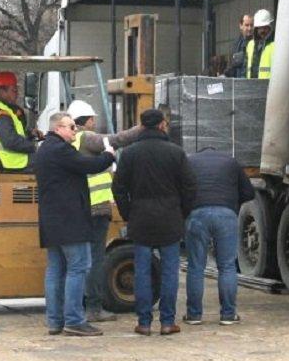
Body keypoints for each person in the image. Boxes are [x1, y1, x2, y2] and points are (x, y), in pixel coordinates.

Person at [113, 109, 196, 336]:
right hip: (170, 219)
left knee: (142, 272)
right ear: (161, 125)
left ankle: (144, 322)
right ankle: (168, 322)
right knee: (170, 272)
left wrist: (128, 213)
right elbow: (190, 187)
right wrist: (182, 212)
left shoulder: (129, 154)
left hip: (140, 219)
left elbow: (118, 188)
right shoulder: (176, 153)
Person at [35, 111, 116, 337]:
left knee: (55, 270)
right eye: (71, 127)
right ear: (57, 129)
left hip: (51, 221)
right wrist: (109, 155)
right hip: (70, 221)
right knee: (79, 267)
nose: (75, 130)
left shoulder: (44, 150)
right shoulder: (61, 150)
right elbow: (88, 165)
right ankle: (74, 320)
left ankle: (54, 321)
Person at [66, 99, 141, 323]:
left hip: (77, 208)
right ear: (87, 120)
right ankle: (94, 308)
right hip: (96, 209)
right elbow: (116, 140)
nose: (94, 123)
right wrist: (142, 128)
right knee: (95, 259)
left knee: (78, 261)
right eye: (93, 119)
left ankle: (77, 306)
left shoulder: (68, 141)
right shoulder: (87, 138)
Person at [184, 147, 254, 326]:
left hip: (197, 214)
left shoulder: (190, 161)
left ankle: (194, 315)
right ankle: (228, 315)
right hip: (226, 214)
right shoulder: (231, 162)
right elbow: (249, 192)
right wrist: (232, 203)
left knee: (195, 267)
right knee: (227, 266)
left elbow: (181, 191)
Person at [0, 71, 41, 172]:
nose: (17, 94)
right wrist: (34, 147)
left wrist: (29, 134)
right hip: (13, 162)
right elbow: (10, 141)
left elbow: (8, 134)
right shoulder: (0, 114)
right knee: (54, 160)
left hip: (10, 160)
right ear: (2, 91)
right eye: (14, 90)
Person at [246, 9, 274, 79]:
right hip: (251, 86)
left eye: (265, 27)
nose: (262, 30)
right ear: (256, 29)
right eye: (260, 28)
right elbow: (245, 69)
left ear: (270, 27)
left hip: (268, 87)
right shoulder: (250, 45)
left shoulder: (275, 45)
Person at [225, 14, 253, 78]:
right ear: (240, 26)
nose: (249, 28)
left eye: (251, 25)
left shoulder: (257, 43)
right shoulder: (236, 44)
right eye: (247, 25)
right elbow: (231, 66)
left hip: (252, 82)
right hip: (238, 83)